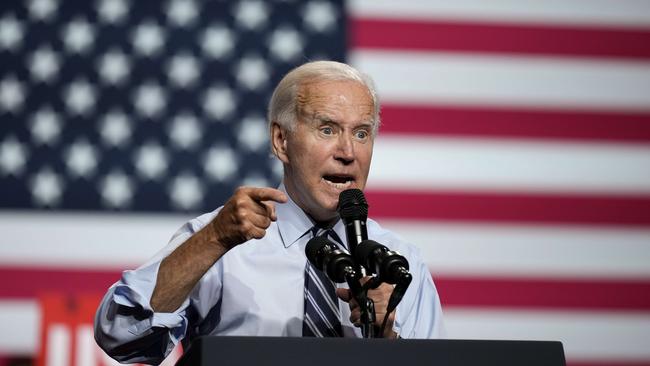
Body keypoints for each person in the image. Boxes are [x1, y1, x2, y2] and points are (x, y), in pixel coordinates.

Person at [94, 61, 444, 364]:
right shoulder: (222, 241)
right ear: (281, 141)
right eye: (327, 129)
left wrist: (387, 342)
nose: (348, 151)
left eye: (362, 133)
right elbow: (121, 335)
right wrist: (214, 240)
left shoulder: (400, 265)